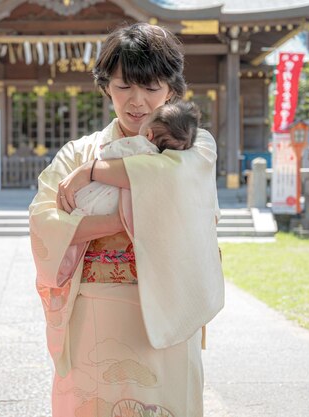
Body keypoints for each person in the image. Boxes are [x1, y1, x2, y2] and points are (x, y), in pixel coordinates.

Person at [29, 23, 224, 417]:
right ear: (105, 87)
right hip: (94, 309)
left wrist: (93, 173)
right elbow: (43, 221)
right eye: (123, 87)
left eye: (151, 88)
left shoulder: (193, 143)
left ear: (171, 89)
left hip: (168, 308)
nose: (137, 101)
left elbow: (175, 182)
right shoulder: (75, 152)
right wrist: (127, 217)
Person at [72, 101, 201, 216]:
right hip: (118, 206)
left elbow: (106, 154)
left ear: (148, 134)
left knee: (78, 207)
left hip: (98, 195)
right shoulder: (159, 160)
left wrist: (104, 148)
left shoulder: (139, 144)